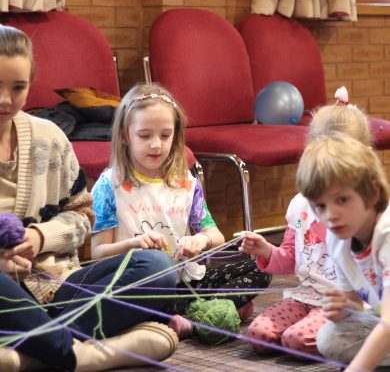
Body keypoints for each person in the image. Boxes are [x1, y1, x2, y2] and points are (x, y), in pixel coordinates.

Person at [0, 25, 179, 371]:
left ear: (31, 81)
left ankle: (34, 353)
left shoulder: (49, 138)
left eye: (18, 87)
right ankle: (80, 353)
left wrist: (41, 237)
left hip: (57, 286)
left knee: (156, 267)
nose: (5, 100)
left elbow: (83, 214)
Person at [91, 82, 272, 339]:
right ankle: (204, 312)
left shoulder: (186, 183)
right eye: (145, 136)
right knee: (123, 303)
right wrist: (133, 244)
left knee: (259, 271)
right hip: (141, 288)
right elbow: (98, 254)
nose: (156, 145)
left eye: (165, 135)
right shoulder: (109, 185)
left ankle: (182, 316)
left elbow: (215, 235)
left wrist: (200, 239)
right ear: (124, 135)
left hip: (186, 283)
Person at [239, 88, 372, 356]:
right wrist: (266, 250)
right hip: (306, 295)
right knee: (258, 335)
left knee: (295, 340)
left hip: (343, 302)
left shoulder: (365, 207)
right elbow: (291, 258)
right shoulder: (300, 203)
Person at [296, 134, 390, 371]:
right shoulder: (338, 239)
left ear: (373, 193)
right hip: (384, 320)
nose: (331, 215)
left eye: (342, 199)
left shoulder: (387, 233)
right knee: (329, 337)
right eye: (321, 206)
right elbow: (356, 304)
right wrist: (343, 307)